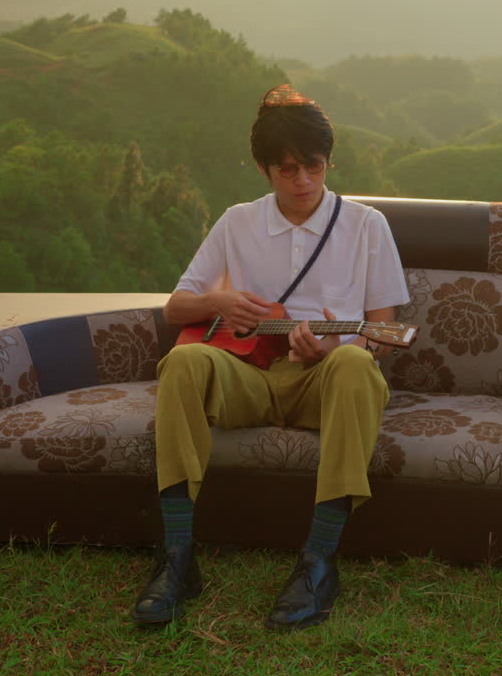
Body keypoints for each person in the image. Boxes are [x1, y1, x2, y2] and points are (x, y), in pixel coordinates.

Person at [130, 85, 410, 631]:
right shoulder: (237, 222)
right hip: (250, 375)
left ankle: (319, 561)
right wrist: (219, 300)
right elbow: (176, 308)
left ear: (329, 162)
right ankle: (178, 558)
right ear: (263, 169)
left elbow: (383, 331)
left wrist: (339, 346)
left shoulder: (366, 225)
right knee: (183, 364)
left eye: (314, 166)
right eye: (287, 170)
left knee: (355, 365)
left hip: (327, 379)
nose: (303, 181)